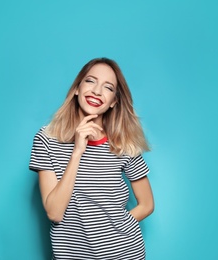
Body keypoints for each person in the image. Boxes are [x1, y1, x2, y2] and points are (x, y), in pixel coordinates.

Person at [29, 57, 154, 259]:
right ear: (77, 88)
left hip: (123, 253)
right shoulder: (47, 139)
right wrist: (78, 151)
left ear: (114, 102)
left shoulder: (124, 144)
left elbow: (147, 204)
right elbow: (54, 212)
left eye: (108, 87)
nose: (96, 91)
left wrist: (113, 230)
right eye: (90, 81)